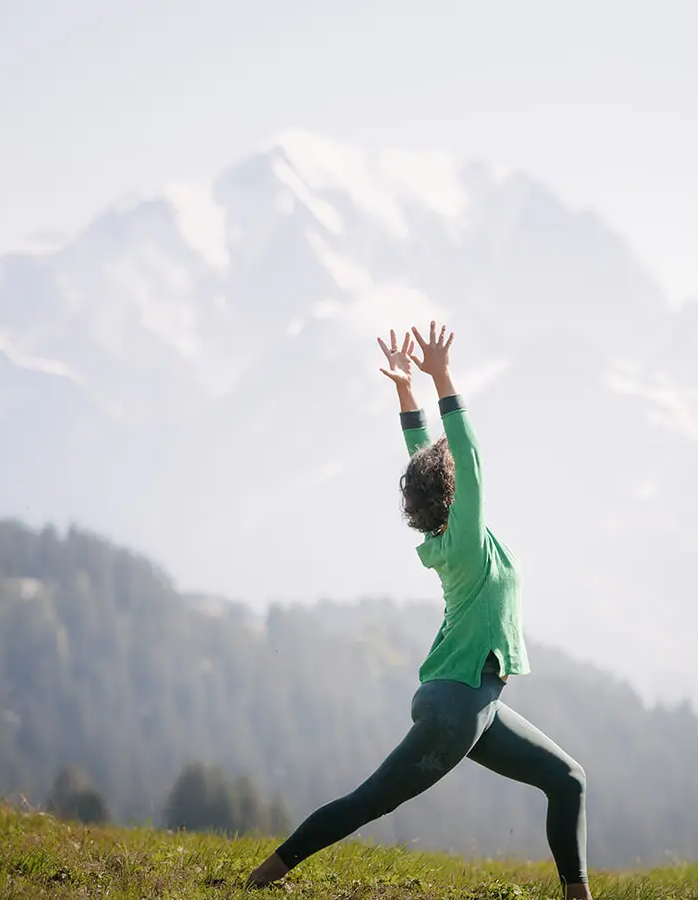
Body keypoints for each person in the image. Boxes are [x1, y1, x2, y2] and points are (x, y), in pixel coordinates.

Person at [245, 321, 591, 898]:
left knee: (568, 780)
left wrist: (406, 391)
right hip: (458, 704)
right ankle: (259, 879)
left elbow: (425, 456)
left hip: (470, 698)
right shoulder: (466, 536)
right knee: (368, 803)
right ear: (455, 493)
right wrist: (442, 377)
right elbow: (468, 453)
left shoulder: (450, 531)